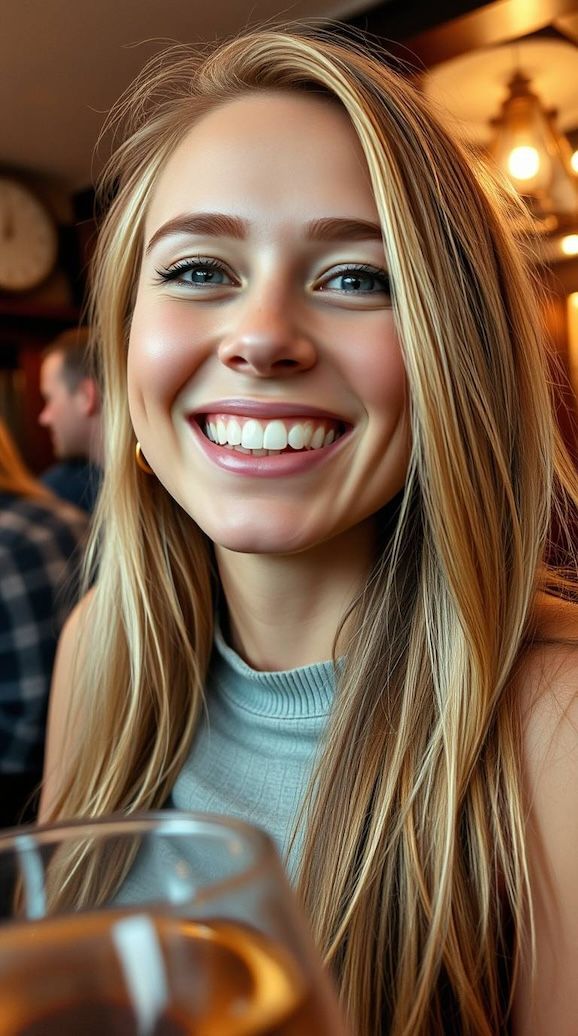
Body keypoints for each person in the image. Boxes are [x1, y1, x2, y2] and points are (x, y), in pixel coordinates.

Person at [38, 26, 578, 1035]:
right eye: (200, 269)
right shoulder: (96, 648)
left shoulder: (558, 731)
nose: (261, 336)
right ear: (124, 343)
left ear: (446, 360)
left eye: (352, 278)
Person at [0, 419, 87, 828]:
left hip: (25, 794)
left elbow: (25, 717)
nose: (44, 416)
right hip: (92, 761)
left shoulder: (8, 539)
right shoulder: (64, 513)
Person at [38, 326, 103, 513]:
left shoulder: (54, 501)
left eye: (49, 398)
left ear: (85, 396)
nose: (44, 418)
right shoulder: (56, 488)